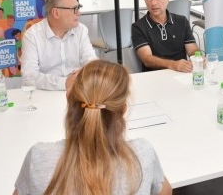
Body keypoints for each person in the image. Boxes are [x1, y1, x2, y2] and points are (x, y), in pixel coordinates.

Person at [13, 59, 172, 195]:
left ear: (69, 98)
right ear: (123, 110)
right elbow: (165, 191)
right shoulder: (141, 156)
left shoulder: (39, 158)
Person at [20, 0, 97, 90]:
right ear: (56, 13)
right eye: (74, 9)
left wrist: (85, 72)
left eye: (78, 8)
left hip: (78, 90)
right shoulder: (32, 35)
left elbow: (91, 61)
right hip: (46, 93)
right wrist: (64, 83)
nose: (79, 13)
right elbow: (29, 75)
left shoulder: (81, 30)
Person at [132, 0, 198, 72]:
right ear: (145, 1)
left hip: (182, 73)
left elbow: (192, 50)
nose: (153, 3)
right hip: (154, 76)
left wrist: (198, 57)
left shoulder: (182, 21)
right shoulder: (138, 27)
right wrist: (173, 65)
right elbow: (147, 59)